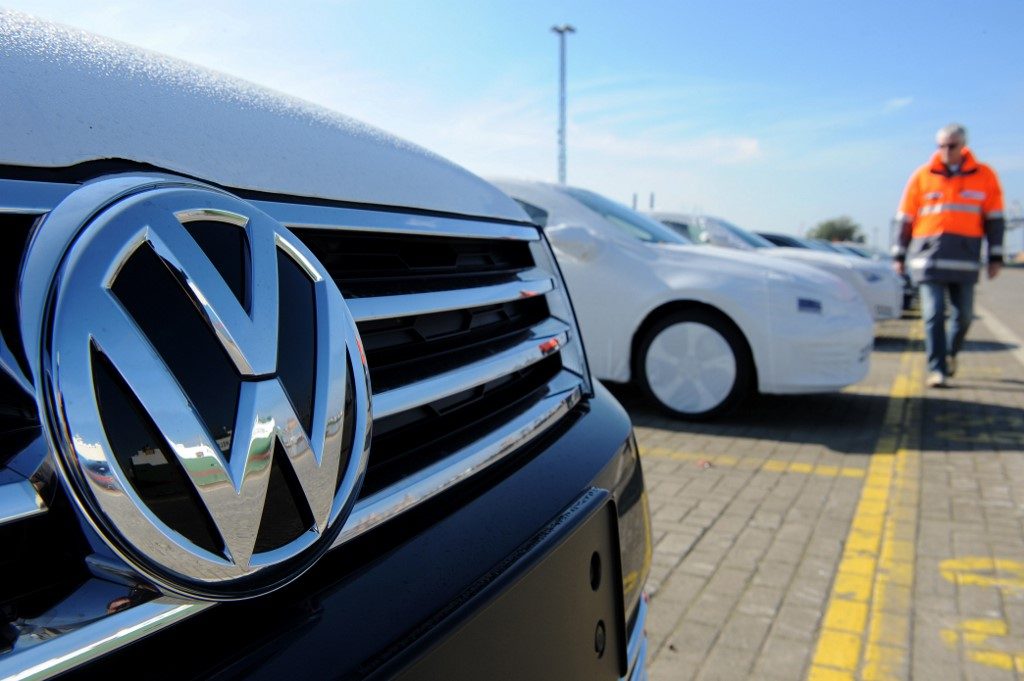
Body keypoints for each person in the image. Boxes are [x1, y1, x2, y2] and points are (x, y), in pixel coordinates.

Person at [892, 123, 1005, 388]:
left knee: (963, 315)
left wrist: (995, 257)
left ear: (963, 146)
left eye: (951, 146)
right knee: (933, 314)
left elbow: (995, 219)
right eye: (940, 146)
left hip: (964, 260)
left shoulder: (984, 175)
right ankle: (937, 368)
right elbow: (905, 219)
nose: (945, 151)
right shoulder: (922, 176)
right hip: (927, 259)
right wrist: (899, 255)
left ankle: (951, 354)